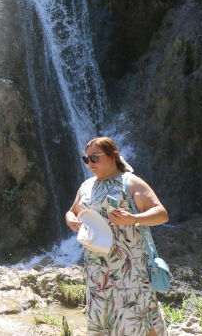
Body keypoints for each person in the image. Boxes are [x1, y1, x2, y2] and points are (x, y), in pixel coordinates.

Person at [65, 137, 169, 336]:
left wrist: (134, 219)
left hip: (130, 268)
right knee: (103, 320)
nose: (90, 163)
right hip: (97, 271)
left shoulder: (129, 182)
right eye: (86, 159)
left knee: (138, 318)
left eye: (95, 157)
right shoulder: (86, 186)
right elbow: (72, 211)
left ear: (113, 156)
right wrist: (71, 220)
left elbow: (162, 214)